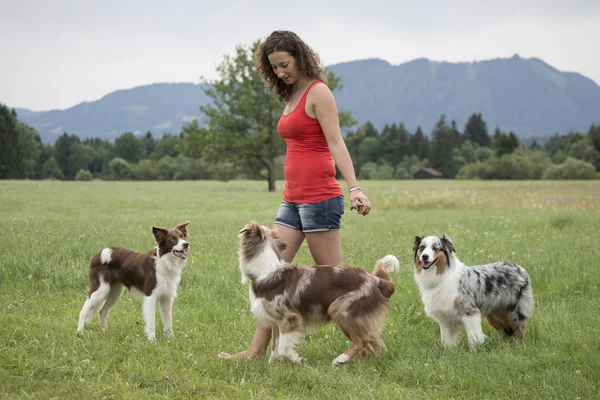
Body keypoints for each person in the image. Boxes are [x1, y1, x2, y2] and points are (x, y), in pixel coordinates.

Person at [218, 30, 371, 361]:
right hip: (292, 198)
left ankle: (363, 343)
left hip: (320, 199)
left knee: (334, 279)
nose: (280, 73)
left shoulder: (319, 93)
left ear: (300, 58)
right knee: (272, 276)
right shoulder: (291, 96)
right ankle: (258, 350)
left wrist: (354, 186)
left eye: (284, 65)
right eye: (274, 68)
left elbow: (336, 143)